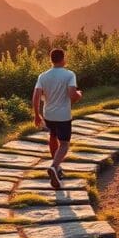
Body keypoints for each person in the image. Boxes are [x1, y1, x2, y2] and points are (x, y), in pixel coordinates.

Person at [32, 48, 83, 189]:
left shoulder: (43, 76)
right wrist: (79, 94)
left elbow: (36, 96)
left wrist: (37, 115)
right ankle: (54, 167)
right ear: (63, 59)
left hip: (48, 114)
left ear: (51, 59)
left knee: (53, 137)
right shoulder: (69, 75)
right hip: (63, 115)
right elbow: (73, 95)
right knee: (65, 144)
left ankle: (57, 168)